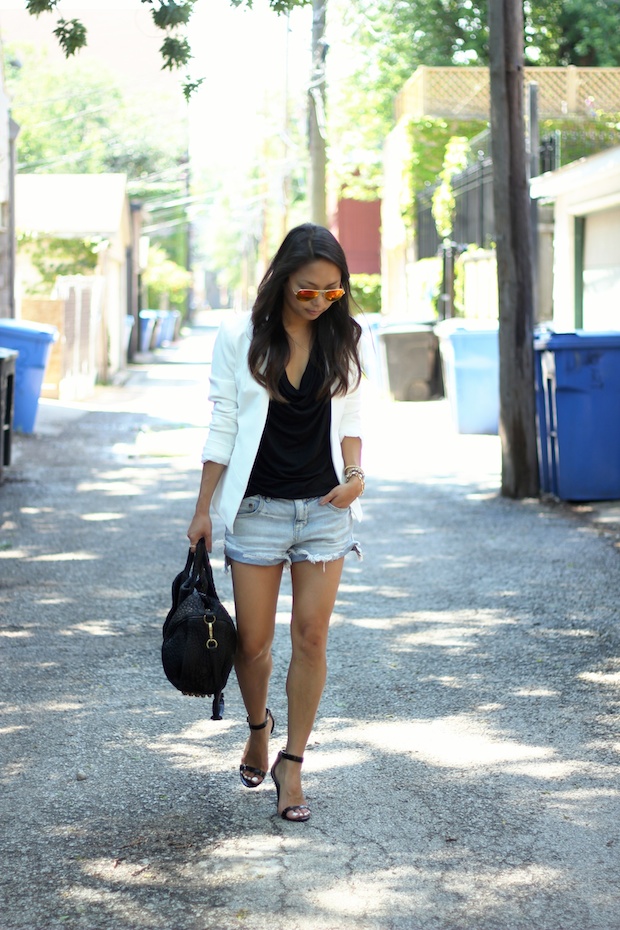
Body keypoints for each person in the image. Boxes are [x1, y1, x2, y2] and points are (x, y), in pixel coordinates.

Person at [187, 223, 365, 823]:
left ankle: (293, 762)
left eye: (331, 293)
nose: (318, 302)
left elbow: (353, 420)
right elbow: (222, 424)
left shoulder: (346, 337)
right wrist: (203, 509)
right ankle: (258, 726)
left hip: (323, 512)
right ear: (283, 279)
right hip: (256, 509)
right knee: (255, 643)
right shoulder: (240, 335)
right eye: (307, 291)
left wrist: (356, 477)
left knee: (311, 637)